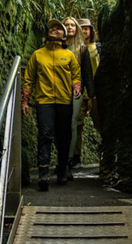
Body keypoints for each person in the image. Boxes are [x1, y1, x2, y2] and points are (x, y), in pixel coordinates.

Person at [22, 19, 82, 191]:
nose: (54, 29)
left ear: (64, 36)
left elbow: (76, 74)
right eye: (51, 28)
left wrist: (76, 86)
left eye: (58, 28)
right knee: (45, 134)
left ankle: (62, 169)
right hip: (44, 101)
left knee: (63, 136)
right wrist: (25, 100)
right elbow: (28, 78)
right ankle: (43, 174)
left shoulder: (68, 55)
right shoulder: (38, 55)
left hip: (64, 101)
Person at [63, 16, 94, 179]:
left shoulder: (82, 49)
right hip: (58, 91)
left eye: (72, 25)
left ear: (77, 29)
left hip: (76, 92)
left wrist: (91, 96)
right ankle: (62, 159)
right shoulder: (57, 46)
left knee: (73, 124)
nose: (69, 28)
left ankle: (68, 160)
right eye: (66, 25)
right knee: (59, 125)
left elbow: (87, 74)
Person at [70, 17, 101, 173]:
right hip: (80, 93)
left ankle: (106, 155)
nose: (84, 31)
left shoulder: (98, 48)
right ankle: (75, 157)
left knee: (100, 123)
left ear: (91, 30)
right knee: (76, 125)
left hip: (96, 93)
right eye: (81, 28)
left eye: (86, 28)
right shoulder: (74, 49)